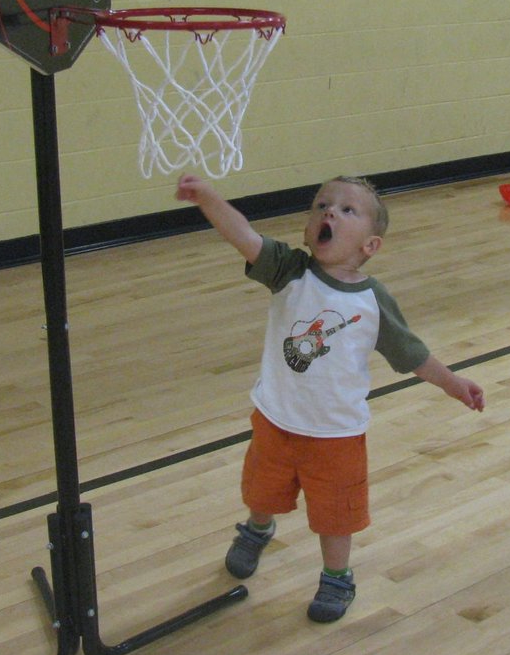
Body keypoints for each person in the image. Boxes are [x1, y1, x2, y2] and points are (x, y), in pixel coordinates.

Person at [175, 173, 485, 622]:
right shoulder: (289, 271)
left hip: (337, 435)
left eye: (346, 210)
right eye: (321, 205)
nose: (329, 213)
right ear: (308, 228)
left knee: (335, 515)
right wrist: (206, 198)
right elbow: (242, 234)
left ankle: (337, 577)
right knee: (263, 489)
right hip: (275, 420)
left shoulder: (372, 301)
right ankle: (257, 529)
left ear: (370, 246)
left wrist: (453, 382)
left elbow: (411, 354)